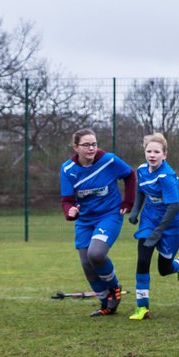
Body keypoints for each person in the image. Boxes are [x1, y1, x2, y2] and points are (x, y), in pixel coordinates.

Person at [59, 128, 136, 317]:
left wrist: (128, 202)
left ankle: (114, 288)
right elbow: (67, 200)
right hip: (85, 220)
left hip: (109, 215)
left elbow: (130, 175)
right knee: (86, 263)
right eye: (86, 145)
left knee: (96, 253)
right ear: (76, 147)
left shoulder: (109, 160)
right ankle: (106, 304)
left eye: (94, 144)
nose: (91, 148)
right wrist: (70, 211)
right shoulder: (68, 169)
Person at [125, 133, 179, 320]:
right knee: (143, 258)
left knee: (164, 269)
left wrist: (158, 232)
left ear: (165, 155)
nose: (152, 155)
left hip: (172, 222)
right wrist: (136, 211)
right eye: (149, 151)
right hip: (150, 218)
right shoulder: (142, 170)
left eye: (156, 152)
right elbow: (140, 191)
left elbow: (173, 206)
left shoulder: (167, 176)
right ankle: (142, 307)